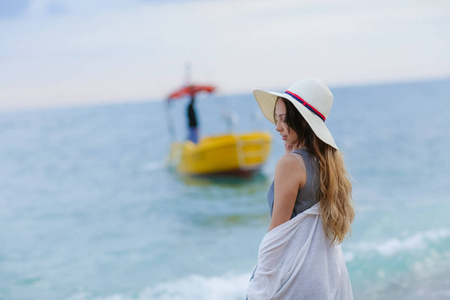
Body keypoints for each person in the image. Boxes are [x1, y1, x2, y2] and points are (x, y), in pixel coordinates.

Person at [247, 78, 355, 300]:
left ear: (302, 121)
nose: (277, 127)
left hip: (297, 278)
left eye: (284, 119)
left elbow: (276, 234)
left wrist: (259, 284)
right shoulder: (331, 164)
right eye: (277, 119)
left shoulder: (290, 165)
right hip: (329, 277)